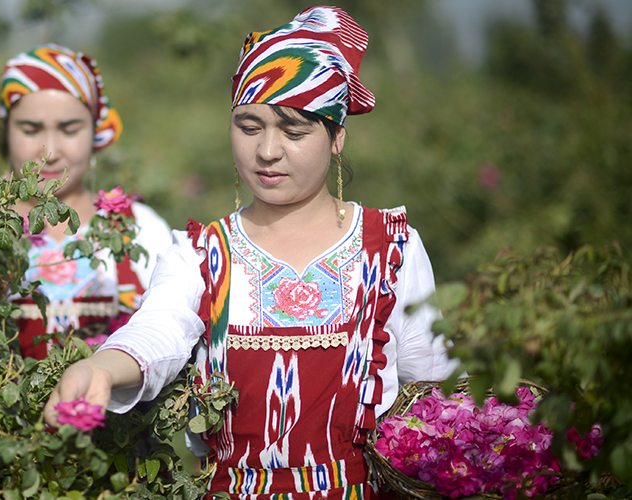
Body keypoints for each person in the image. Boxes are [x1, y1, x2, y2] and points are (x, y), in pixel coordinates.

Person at [43, 7, 456, 499]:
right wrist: (97, 369)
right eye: (249, 126)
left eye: (294, 131)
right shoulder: (201, 253)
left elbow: (432, 395)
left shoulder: (390, 248)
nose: (266, 151)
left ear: (337, 136)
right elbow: (158, 332)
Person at [0, 44, 173, 359]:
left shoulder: (142, 228)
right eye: (30, 129)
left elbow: (169, 337)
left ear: (94, 133)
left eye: (70, 130)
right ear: (6, 130)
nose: (49, 151)